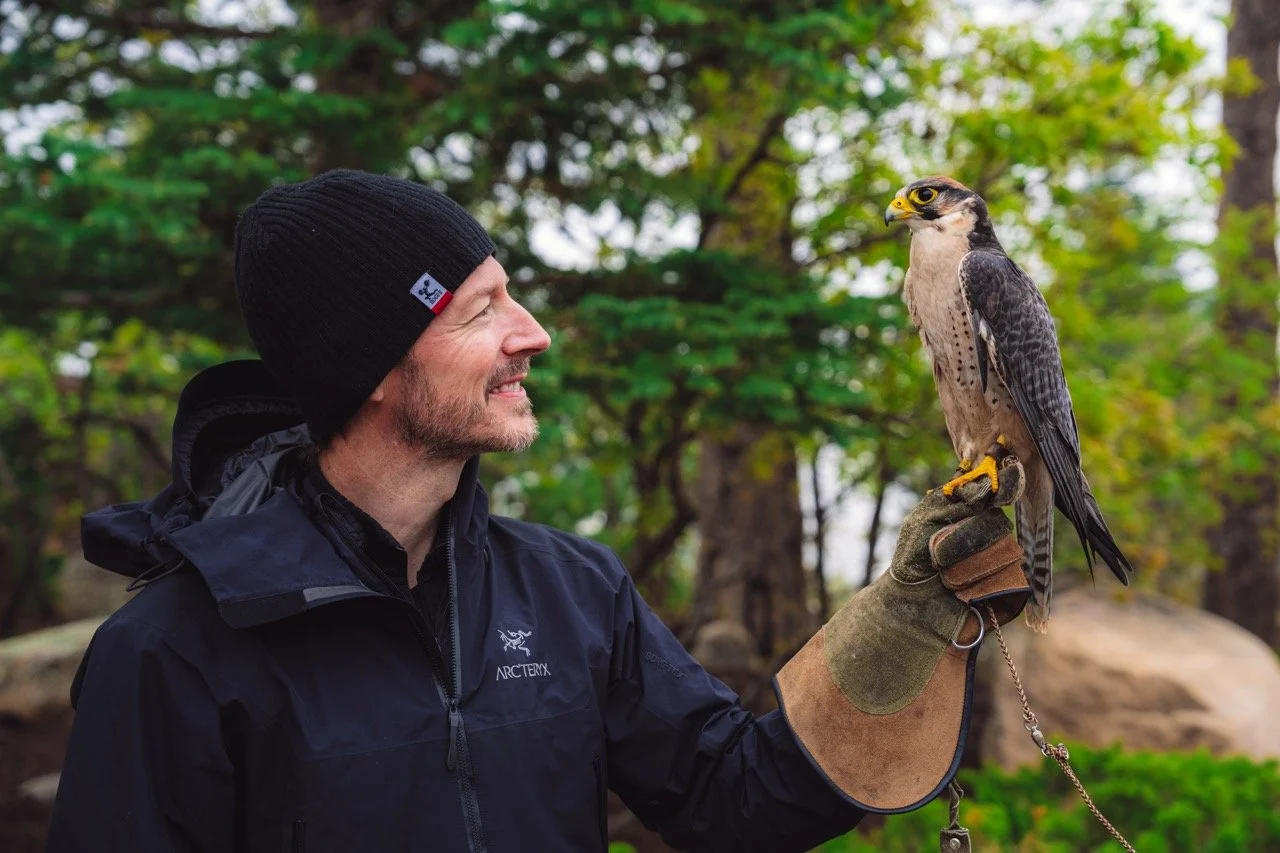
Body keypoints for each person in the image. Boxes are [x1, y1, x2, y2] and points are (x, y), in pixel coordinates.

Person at [47, 170, 1031, 852]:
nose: (534, 335)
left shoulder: (571, 590)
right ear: (372, 367)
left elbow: (735, 804)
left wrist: (899, 622)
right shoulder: (171, 651)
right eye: (482, 310)